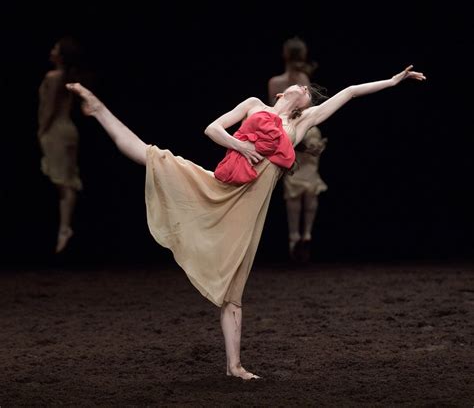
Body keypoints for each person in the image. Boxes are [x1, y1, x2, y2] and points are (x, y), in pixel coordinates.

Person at [66, 64, 426, 380]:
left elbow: (348, 93)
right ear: (283, 92)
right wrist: (241, 147)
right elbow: (212, 129)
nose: (306, 89)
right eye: (301, 87)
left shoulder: (301, 124)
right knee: (156, 159)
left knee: (234, 286)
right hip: (220, 187)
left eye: (308, 91)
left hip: (246, 211)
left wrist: (392, 81)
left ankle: (234, 365)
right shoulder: (254, 105)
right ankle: (98, 110)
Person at [268, 37, 328, 260]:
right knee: (310, 185)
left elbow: (274, 112)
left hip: (285, 133)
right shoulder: (303, 78)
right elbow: (309, 109)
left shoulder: (274, 83)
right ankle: (307, 233)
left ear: (284, 55)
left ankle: (294, 237)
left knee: (293, 187)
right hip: (307, 129)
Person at [37, 36, 92, 253]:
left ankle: (64, 227)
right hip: (69, 130)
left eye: (55, 48)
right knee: (66, 181)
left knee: (63, 182)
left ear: (60, 55)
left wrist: (42, 130)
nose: (51, 51)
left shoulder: (54, 76)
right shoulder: (69, 77)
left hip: (56, 131)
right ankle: (64, 226)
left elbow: (49, 108)